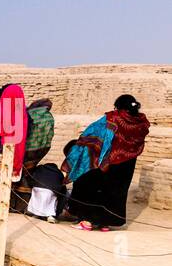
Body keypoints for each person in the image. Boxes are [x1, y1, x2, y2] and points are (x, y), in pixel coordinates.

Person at [64, 94, 149, 230]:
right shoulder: (141, 122)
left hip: (109, 161)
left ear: (118, 106)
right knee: (115, 191)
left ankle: (88, 221)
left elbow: (92, 132)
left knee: (91, 185)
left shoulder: (112, 118)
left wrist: (82, 145)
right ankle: (105, 223)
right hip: (127, 164)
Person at [0, 84, 26, 214]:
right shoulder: (24, 113)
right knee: (6, 177)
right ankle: (4, 205)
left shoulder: (0, 109)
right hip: (16, 148)